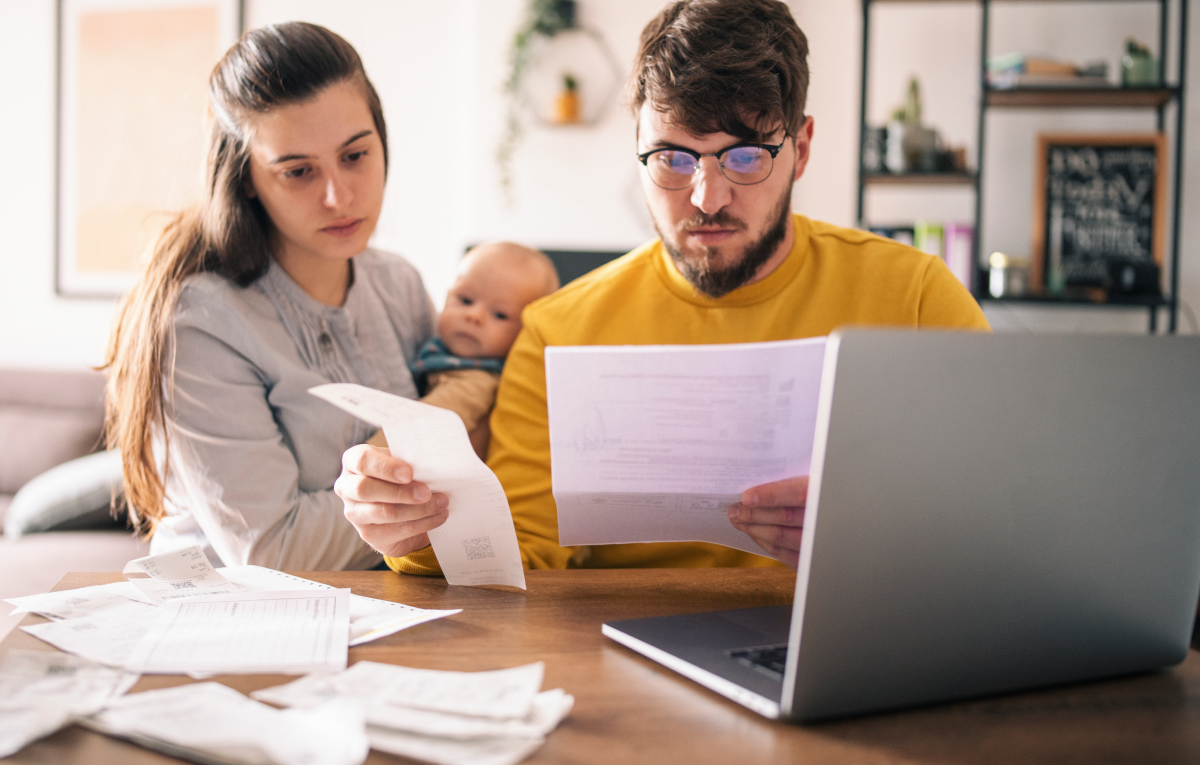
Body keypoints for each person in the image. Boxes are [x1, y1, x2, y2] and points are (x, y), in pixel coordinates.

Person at [336, 0, 990, 573]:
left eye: (744, 155)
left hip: (857, 636)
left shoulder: (915, 296)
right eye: (673, 158)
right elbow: (523, 554)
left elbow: (1007, 503)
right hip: (627, 668)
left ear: (804, 147)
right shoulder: (560, 331)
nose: (707, 198)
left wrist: (883, 524)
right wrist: (418, 532)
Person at [105, 22, 437, 570]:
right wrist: (427, 497)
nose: (339, 196)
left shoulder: (400, 284)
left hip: (389, 611)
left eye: (355, 155)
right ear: (247, 181)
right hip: (233, 627)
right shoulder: (199, 323)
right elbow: (273, 551)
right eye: (298, 171)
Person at [368, 242, 560, 459]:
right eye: (465, 300)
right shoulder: (442, 352)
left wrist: (370, 455)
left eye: (500, 315)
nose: (474, 316)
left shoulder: (476, 381)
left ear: (524, 333)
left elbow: (422, 426)